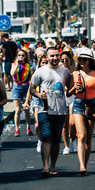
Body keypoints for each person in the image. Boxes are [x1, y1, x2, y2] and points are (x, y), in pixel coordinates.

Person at [67, 48, 95, 175]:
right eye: (80, 59)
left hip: (93, 105)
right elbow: (68, 94)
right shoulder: (75, 74)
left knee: (89, 138)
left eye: (85, 59)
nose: (82, 61)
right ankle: (82, 166)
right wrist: (74, 88)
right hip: (78, 104)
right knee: (82, 136)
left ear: (90, 61)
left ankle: (85, 162)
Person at [30, 47, 70, 176]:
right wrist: (39, 95)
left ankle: (53, 166)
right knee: (46, 138)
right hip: (44, 110)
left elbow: (70, 89)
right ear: (46, 57)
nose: (55, 58)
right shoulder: (40, 71)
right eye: (52, 56)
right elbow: (31, 89)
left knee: (56, 140)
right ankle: (45, 167)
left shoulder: (65, 71)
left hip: (60, 111)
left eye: (56, 56)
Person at [11, 50, 34, 137]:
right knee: (17, 110)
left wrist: (32, 72)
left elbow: (32, 79)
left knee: (26, 109)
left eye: (23, 55)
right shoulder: (14, 64)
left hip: (26, 88)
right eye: (19, 55)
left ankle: (28, 127)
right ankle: (17, 129)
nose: (21, 57)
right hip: (16, 87)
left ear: (25, 57)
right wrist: (17, 64)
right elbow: (12, 74)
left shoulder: (29, 65)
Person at [60, 51, 77, 155]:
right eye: (63, 60)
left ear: (70, 59)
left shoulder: (75, 70)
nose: (65, 61)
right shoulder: (59, 70)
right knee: (64, 123)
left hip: (73, 97)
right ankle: (66, 146)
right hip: (62, 99)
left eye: (67, 59)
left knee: (72, 123)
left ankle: (73, 140)